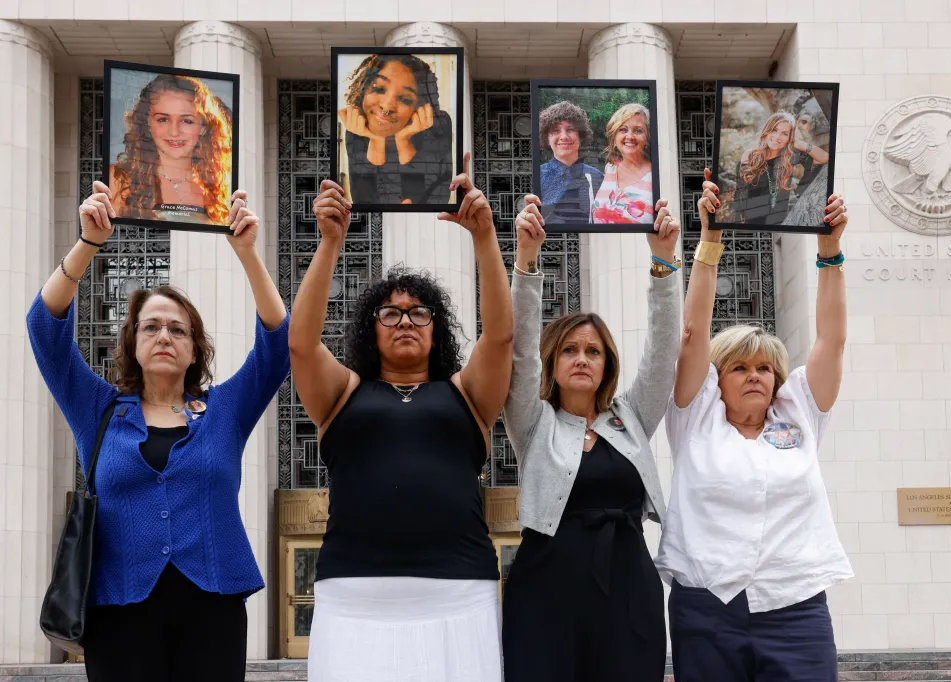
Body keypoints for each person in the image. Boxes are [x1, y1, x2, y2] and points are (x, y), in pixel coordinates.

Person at [27, 181, 289, 682]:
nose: (164, 335)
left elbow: (277, 345)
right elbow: (45, 327)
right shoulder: (98, 408)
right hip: (119, 611)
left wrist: (248, 254)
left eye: (178, 329)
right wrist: (88, 244)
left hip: (212, 607)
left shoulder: (225, 410)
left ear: (195, 350)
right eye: (151, 327)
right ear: (132, 342)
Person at [290, 154, 512, 682]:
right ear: (373, 329)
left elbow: (501, 337)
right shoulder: (342, 392)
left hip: (458, 594)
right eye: (390, 313)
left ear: (436, 329)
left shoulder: (467, 393)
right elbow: (300, 345)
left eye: (419, 312)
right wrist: (330, 243)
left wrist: (484, 237)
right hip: (353, 598)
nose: (405, 321)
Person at [657, 168, 852, 682]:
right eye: (739, 367)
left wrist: (830, 253)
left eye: (764, 367)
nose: (754, 376)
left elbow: (830, 342)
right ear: (716, 381)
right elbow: (694, 333)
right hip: (707, 610)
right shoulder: (695, 418)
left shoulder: (800, 412)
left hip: (795, 608)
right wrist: (710, 240)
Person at [501, 192, 681, 681]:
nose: (582, 359)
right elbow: (516, 354)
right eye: (570, 350)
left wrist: (663, 263)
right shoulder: (533, 422)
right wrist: (526, 263)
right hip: (545, 591)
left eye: (594, 351)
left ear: (607, 365)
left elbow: (664, 353)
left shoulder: (632, 419)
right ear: (553, 363)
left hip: (627, 589)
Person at [110, 74, 233, 225]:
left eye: (187, 120)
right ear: (147, 124)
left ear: (203, 127)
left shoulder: (219, 187)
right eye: (163, 119)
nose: (174, 132)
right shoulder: (119, 179)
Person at [338, 53, 454, 205]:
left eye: (405, 99)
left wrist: (403, 141)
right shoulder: (359, 126)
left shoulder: (438, 125)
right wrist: (376, 140)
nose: (386, 107)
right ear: (364, 90)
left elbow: (434, 199)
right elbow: (363, 201)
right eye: (378, 89)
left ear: (418, 107)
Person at [732, 111, 830, 225]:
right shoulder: (750, 156)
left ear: (790, 138)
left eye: (784, 133)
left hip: (780, 223)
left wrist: (799, 144)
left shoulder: (790, 157)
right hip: (751, 223)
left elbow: (824, 157)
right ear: (767, 131)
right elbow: (739, 193)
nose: (777, 137)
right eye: (774, 130)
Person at [537, 100, 604, 223]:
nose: (564, 136)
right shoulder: (538, 175)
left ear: (581, 135)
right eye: (556, 130)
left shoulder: (597, 177)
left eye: (570, 129)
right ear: (547, 138)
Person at [591, 103, 655, 225]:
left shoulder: (656, 174)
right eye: (623, 130)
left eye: (638, 130)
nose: (630, 136)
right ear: (614, 138)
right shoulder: (610, 169)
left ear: (647, 138)